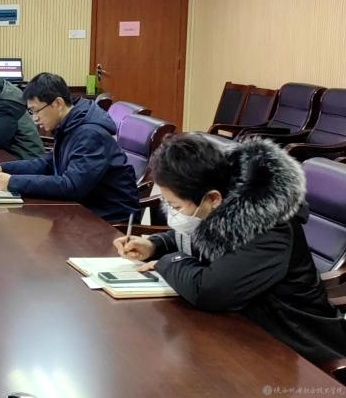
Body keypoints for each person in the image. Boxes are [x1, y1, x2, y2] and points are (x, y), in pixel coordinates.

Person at [115, 134, 346, 366]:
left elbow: (208, 291)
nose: (172, 213)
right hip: (244, 327)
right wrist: (155, 244)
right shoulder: (227, 198)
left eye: (176, 206)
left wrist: (166, 262)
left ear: (212, 198)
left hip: (296, 347)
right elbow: (198, 232)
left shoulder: (267, 226)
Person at [0, 72, 138, 222]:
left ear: (57, 103)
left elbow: (72, 186)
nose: (35, 118)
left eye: (36, 111)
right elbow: (49, 163)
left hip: (109, 217)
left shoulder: (90, 134)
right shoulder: (71, 123)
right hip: (84, 206)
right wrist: (3, 168)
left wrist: (13, 182)